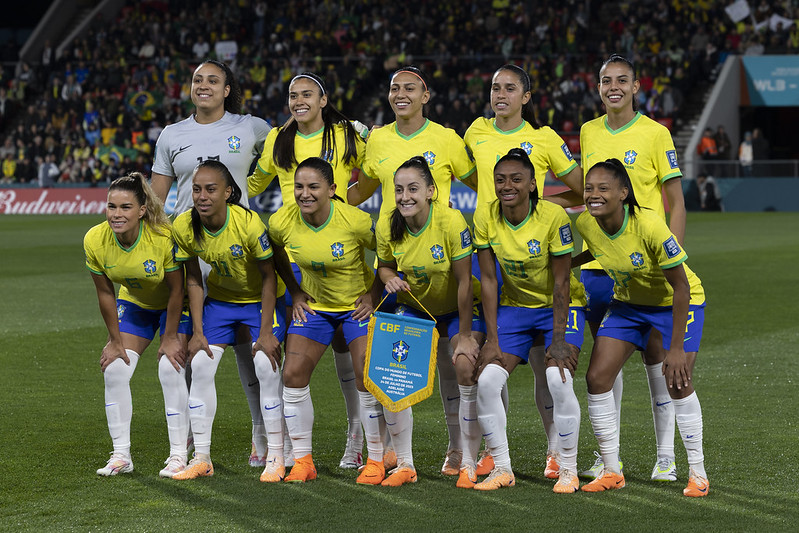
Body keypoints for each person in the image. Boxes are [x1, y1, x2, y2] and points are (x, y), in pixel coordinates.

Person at [348, 66, 476, 475]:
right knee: (389, 368)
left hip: (440, 261)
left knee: (455, 367)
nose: (400, 94)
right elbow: (364, 189)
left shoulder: (447, 139)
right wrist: (323, 198)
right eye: (393, 88)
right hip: (400, 268)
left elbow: (481, 184)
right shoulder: (379, 139)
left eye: (409, 88)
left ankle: (464, 450)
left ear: (426, 94)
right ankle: (389, 454)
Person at [150, 59, 277, 468]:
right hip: (190, 254)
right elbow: (156, 200)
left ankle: (261, 433)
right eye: (197, 80)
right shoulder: (172, 135)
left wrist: (360, 132)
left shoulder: (252, 127)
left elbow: (296, 141)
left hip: (241, 250)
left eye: (213, 80)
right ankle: (187, 439)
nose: (203, 85)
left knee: (249, 348)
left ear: (227, 90)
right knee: (193, 348)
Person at [463, 63, 585, 479]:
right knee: (492, 361)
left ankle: (557, 451)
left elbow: (582, 187)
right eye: (495, 87)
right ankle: (495, 453)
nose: (500, 94)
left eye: (510, 88)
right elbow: (463, 177)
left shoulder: (543, 138)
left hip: (537, 248)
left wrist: (546, 209)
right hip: (492, 249)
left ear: (525, 97)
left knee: (546, 367)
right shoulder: (475, 133)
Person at [247, 72, 367, 469]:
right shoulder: (280, 139)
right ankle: (274, 446)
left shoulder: (347, 135)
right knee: (289, 360)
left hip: (339, 249)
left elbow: (375, 171)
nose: (298, 101)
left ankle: (356, 437)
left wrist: (348, 202)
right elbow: (254, 182)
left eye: (306, 94)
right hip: (295, 259)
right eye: (292, 95)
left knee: (346, 353)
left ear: (323, 99)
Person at [579, 54, 687, 482]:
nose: (613, 87)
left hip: (648, 264)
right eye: (606, 80)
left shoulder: (655, 133)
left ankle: (666, 456)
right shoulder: (588, 131)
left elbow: (675, 199)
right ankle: (611, 457)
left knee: (658, 359)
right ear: (599, 86)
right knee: (607, 358)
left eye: (622, 80)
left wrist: (673, 250)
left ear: (636, 86)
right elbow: (590, 194)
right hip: (599, 265)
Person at [576, 159, 708, 497]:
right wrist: (559, 262)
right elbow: (600, 247)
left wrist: (675, 348)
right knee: (597, 378)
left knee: (677, 382)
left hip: (677, 303)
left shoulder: (650, 225)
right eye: (589, 188)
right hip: (629, 304)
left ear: (623, 193)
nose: (594, 195)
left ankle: (698, 473)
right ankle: (610, 470)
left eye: (603, 188)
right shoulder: (586, 223)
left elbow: (681, 287)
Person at [268, 157, 383, 483]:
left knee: (365, 376)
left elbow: (389, 251)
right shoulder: (282, 221)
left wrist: (373, 295)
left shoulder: (355, 220)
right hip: (316, 307)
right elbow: (274, 251)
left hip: (355, 306)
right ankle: (303, 461)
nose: (305, 194)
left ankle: (374, 459)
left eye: (313, 187)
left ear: (332, 190)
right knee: (291, 373)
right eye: (299, 187)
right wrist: (294, 289)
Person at [170, 160, 285, 481]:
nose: (202, 196)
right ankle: (202, 457)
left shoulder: (248, 224)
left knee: (264, 363)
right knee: (201, 365)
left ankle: (276, 455)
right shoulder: (183, 226)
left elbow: (269, 278)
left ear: (228, 192)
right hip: (220, 303)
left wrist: (264, 332)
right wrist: (196, 332)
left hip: (259, 302)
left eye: (210, 189)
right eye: (196, 189)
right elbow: (192, 278)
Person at [375, 156, 484, 487]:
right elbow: (384, 266)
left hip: (456, 309)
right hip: (416, 308)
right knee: (390, 372)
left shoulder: (451, 222)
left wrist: (464, 334)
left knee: (463, 366)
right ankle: (405, 464)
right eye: (399, 190)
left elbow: (466, 281)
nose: (405, 197)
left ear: (431, 192)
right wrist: (389, 277)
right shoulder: (386, 225)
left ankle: (465, 455)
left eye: (413, 189)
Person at [84, 173, 191, 478]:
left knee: (170, 367)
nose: (116, 214)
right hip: (136, 304)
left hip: (175, 305)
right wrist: (114, 340)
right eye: (111, 207)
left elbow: (176, 289)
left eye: (125, 207)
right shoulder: (95, 239)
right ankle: (121, 455)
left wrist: (169, 337)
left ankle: (178, 455)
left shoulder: (162, 238)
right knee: (115, 368)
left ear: (142, 210)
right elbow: (105, 293)